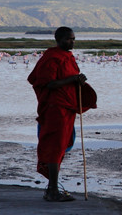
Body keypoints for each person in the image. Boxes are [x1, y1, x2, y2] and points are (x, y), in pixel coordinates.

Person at [27, 27, 96, 202]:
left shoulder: (68, 58)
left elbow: (70, 79)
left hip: (66, 109)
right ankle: (52, 191)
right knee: (54, 146)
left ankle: (52, 188)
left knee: (62, 145)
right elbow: (48, 84)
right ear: (58, 39)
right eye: (68, 39)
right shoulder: (51, 58)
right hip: (54, 109)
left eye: (73, 39)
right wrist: (73, 79)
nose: (72, 42)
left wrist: (79, 80)